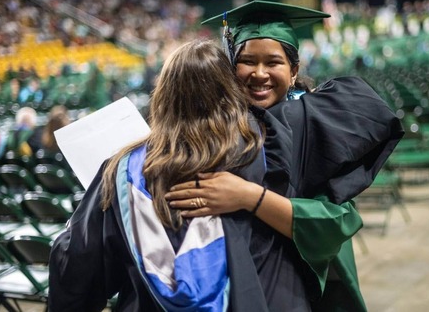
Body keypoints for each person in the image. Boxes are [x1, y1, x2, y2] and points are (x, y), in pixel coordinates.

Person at [167, 0, 404, 311]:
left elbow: (336, 221)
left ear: (293, 72)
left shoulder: (311, 123)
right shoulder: (215, 125)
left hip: (299, 283)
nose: (259, 73)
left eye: (273, 63)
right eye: (247, 61)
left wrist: (248, 196)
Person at [48, 40, 277, 311]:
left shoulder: (125, 168)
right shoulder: (259, 151)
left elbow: (79, 264)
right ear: (230, 89)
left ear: (164, 94)